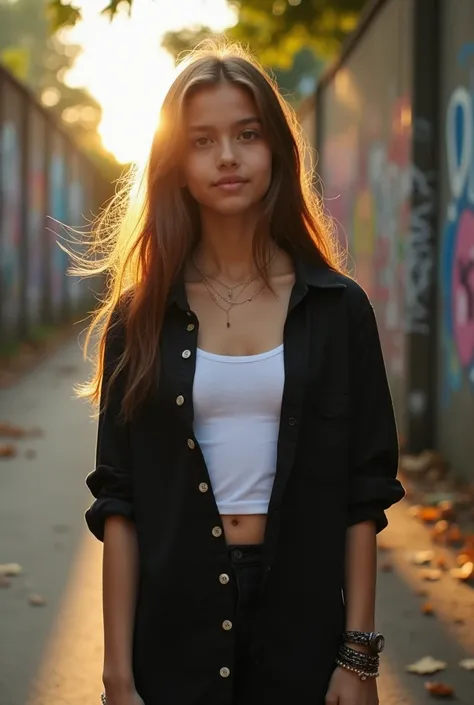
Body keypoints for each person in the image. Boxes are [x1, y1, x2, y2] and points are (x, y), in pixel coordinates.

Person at [77, 41, 405, 705]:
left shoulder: (340, 311)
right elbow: (120, 501)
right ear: (177, 164)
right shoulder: (138, 318)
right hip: (173, 622)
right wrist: (117, 675)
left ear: (277, 151)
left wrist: (359, 657)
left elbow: (362, 494)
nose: (227, 156)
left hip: (302, 620)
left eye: (247, 135)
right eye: (202, 140)